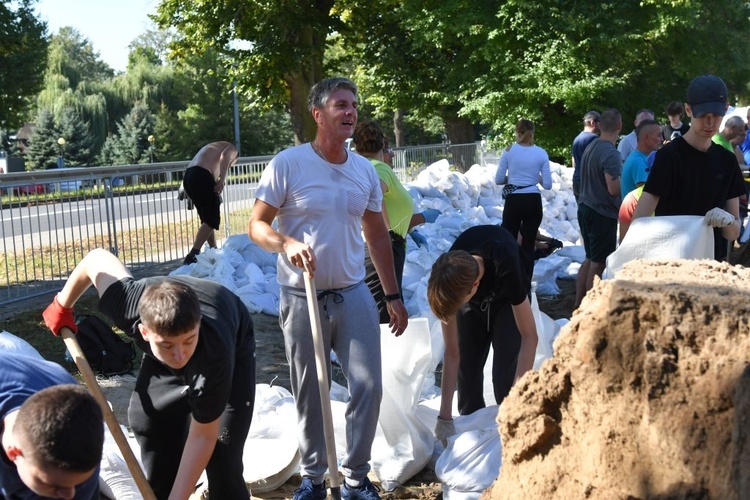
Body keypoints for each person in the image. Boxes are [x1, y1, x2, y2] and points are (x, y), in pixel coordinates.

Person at [248, 77, 408, 500]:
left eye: (353, 105)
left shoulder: (364, 171)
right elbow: (257, 225)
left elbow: (377, 236)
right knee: (309, 390)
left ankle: (356, 477)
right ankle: (314, 478)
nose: (350, 111)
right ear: (318, 114)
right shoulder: (288, 163)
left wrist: (393, 296)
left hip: (353, 291)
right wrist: (286, 243)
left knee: (368, 385)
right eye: (340, 104)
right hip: (302, 296)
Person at [42, 248, 256, 499]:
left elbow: (202, 437)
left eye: (187, 342)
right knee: (149, 422)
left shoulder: (213, 358)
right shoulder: (126, 302)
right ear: (143, 332)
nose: (179, 356)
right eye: (168, 345)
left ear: (197, 324)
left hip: (231, 336)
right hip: (168, 340)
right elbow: (96, 260)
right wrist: (62, 304)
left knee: (223, 454)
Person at [426, 225, 538, 446]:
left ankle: (510, 438)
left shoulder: (507, 265)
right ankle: (473, 438)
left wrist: (516, 402)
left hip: (507, 301)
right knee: (467, 374)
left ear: (475, 285)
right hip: (471, 300)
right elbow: (452, 352)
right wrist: (445, 417)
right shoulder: (448, 275)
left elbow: (529, 337)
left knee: (504, 378)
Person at [633, 74, 746, 262]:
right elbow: (639, 221)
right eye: (703, 115)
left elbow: (733, 233)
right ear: (688, 110)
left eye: (716, 115)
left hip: (711, 267)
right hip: (670, 262)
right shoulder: (668, 157)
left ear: (726, 109)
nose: (709, 123)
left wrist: (727, 221)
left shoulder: (727, 161)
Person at [352, 120, 440, 323]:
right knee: (384, 311)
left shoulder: (365, 167)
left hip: (386, 244)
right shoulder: (379, 169)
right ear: (383, 146)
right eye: (389, 149)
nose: (391, 154)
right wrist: (383, 229)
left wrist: (409, 230)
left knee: (383, 310)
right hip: (383, 247)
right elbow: (373, 199)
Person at [0, 353, 103, 500]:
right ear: (14, 453)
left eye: (77, 483)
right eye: (56, 486)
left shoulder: (81, 435)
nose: (69, 495)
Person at [575, 108, 622, 308]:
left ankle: (578, 305)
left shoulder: (590, 147)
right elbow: (613, 189)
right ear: (620, 127)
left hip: (585, 207)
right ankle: (587, 309)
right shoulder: (611, 153)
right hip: (601, 212)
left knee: (589, 259)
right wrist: (627, 178)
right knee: (598, 263)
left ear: (600, 125)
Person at [495, 119, 552, 270]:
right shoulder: (541, 153)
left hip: (514, 199)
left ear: (517, 132)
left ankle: (510, 279)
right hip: (532, 199)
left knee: (509, 241)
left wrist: (512, 178)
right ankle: (526, 283)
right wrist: (534, 177)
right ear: (533, 133)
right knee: (528, 242)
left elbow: (499, 179)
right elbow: (547, 184)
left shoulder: (509, 150)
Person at [182, 141, 239, 265]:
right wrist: (222, 179)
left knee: (207, 219)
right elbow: (225, 156)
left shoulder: (212, 148)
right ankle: (193, 254)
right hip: (201, 175)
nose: (229, 167)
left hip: (189, 176)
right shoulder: (232, 148)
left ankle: (214, 250)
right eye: (231, 165)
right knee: (212, 218)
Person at [620, 119, 663, 198]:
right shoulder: (638, 162)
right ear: (646, 138)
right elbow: (647, 196)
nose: (662, 139)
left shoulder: (638, 157)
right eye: (659, 135)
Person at [571, 111, 601, 200]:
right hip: (589, 183)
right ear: (592, 122)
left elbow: (574, 161)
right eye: (600, 122)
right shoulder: (594, 139)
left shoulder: (577, 139)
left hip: (577, 179)